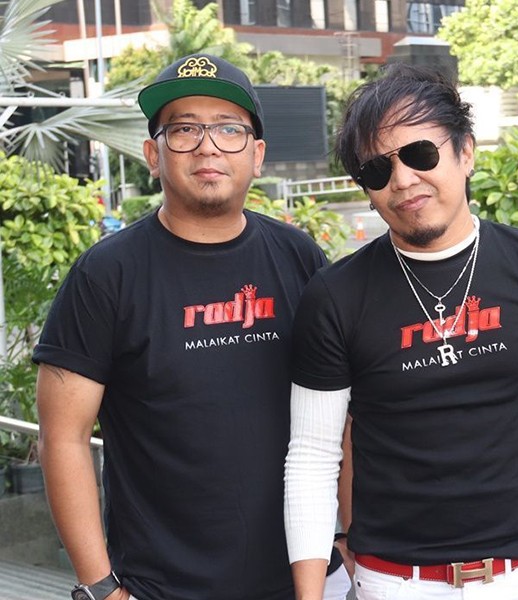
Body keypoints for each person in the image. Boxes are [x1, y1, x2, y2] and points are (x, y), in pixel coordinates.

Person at [282, 63, 518, 600]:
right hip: (396, 584)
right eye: (378, 170)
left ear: (466, 152)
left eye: (420, 154)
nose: (403, 180)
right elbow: (313, 458)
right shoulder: (335, 295)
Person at [32, 54, 347, 600]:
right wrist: (101, 588)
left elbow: (342, 414)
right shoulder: (105, 275)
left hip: (303, 579)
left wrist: (345, 536)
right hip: (160, 586)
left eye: (229, 128)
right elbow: (63, 437)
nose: (207, 147)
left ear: (257, 155)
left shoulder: (298, 257)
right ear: (153, 156)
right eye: (183, 130)